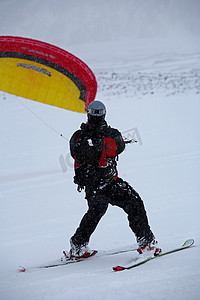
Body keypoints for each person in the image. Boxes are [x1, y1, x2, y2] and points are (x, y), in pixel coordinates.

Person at [68, 100, 161, 259]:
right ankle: (147, 243)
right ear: (104, 114)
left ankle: (78, 246)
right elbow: (119, 148)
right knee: (134, 203)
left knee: (95, 212)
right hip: (110, 183)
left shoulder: (77, 137)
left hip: (91, 187)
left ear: (88, 114)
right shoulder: (112, 134)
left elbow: (74, 153)